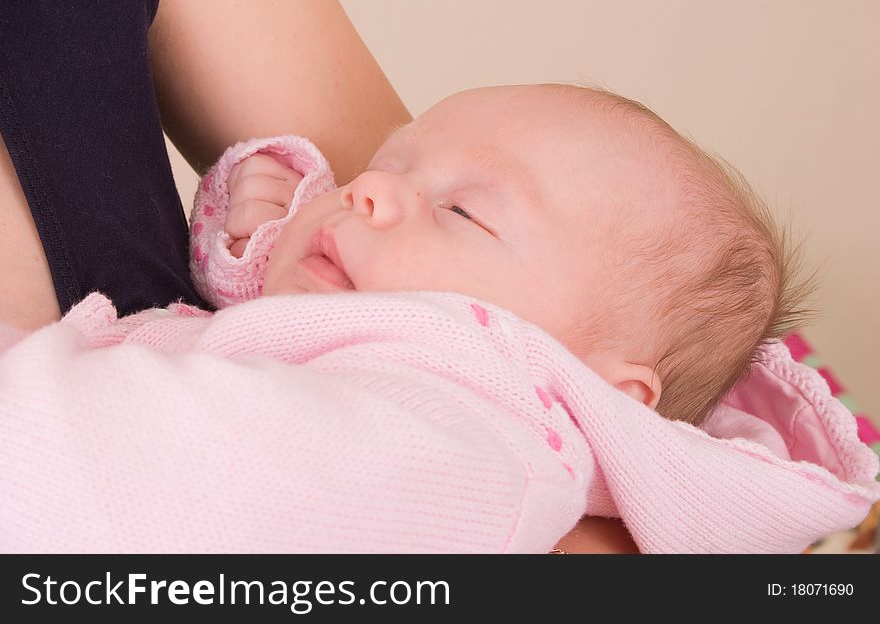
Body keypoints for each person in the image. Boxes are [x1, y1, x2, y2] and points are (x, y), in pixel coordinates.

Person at [2, 84, 877, 552]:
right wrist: (264, 240)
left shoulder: (478, 444)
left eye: (464, 213)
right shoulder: (416, 372)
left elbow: (190, 477)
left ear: (605, 387)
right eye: (382, 168)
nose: (370, 189)